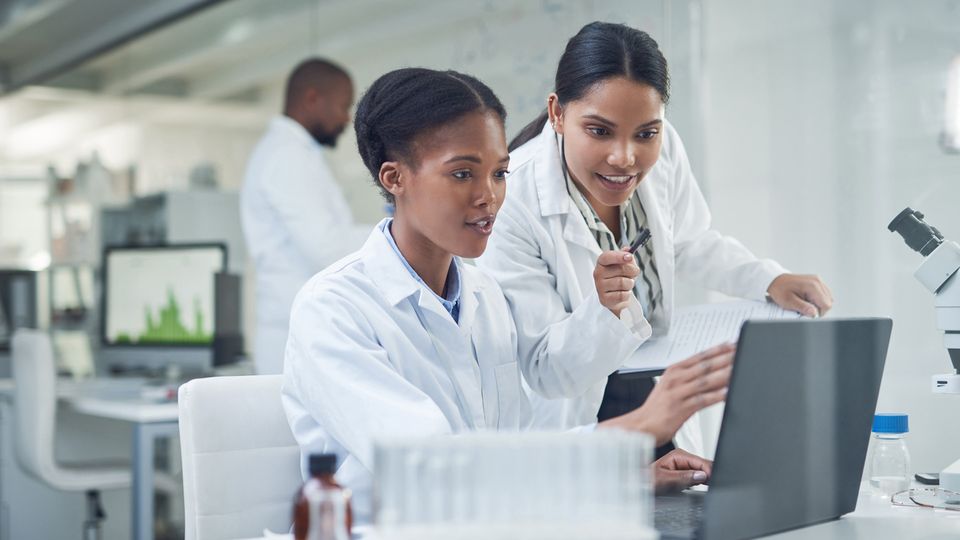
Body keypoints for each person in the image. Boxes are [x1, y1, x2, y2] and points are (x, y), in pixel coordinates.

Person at [282, 67, 735, 528]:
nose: (489, 196)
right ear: (395, 178)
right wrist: (636, 428)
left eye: (500, 173)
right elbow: (436, 470)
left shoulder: (484, 297)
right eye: (462, 173)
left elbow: (516, 451)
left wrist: (625, 478)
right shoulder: (333, 309)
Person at [477, 22, 834, 454]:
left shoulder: (665, 148)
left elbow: (687, 241)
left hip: (654, 390)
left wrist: (766, 279)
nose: (625, 157)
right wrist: (605, 308)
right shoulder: (512, 198)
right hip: (577, 417)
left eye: (646, 133)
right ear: (557, 113)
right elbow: (547, 370)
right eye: (600, 131)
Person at [241, 58, 371, 374]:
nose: (346, 118)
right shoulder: (287, 157)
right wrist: (403, 231)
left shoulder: (293, 154)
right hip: (294, 337)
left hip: (300, 331)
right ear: (313, 99)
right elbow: (326, 249)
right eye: (343, 106)